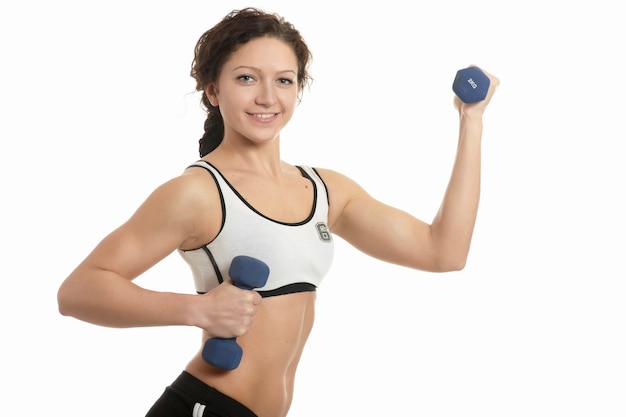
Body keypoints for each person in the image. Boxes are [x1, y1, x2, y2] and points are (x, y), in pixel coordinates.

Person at [57, 7, 499, 417]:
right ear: (213, 90)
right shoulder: (198, 193)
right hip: (208, 405)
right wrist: (199, 311)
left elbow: (444, 252)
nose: (268, 97)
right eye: (247, 78)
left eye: (284, 81)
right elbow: (78, 291)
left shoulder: (326, 190)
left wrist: (471, 121)